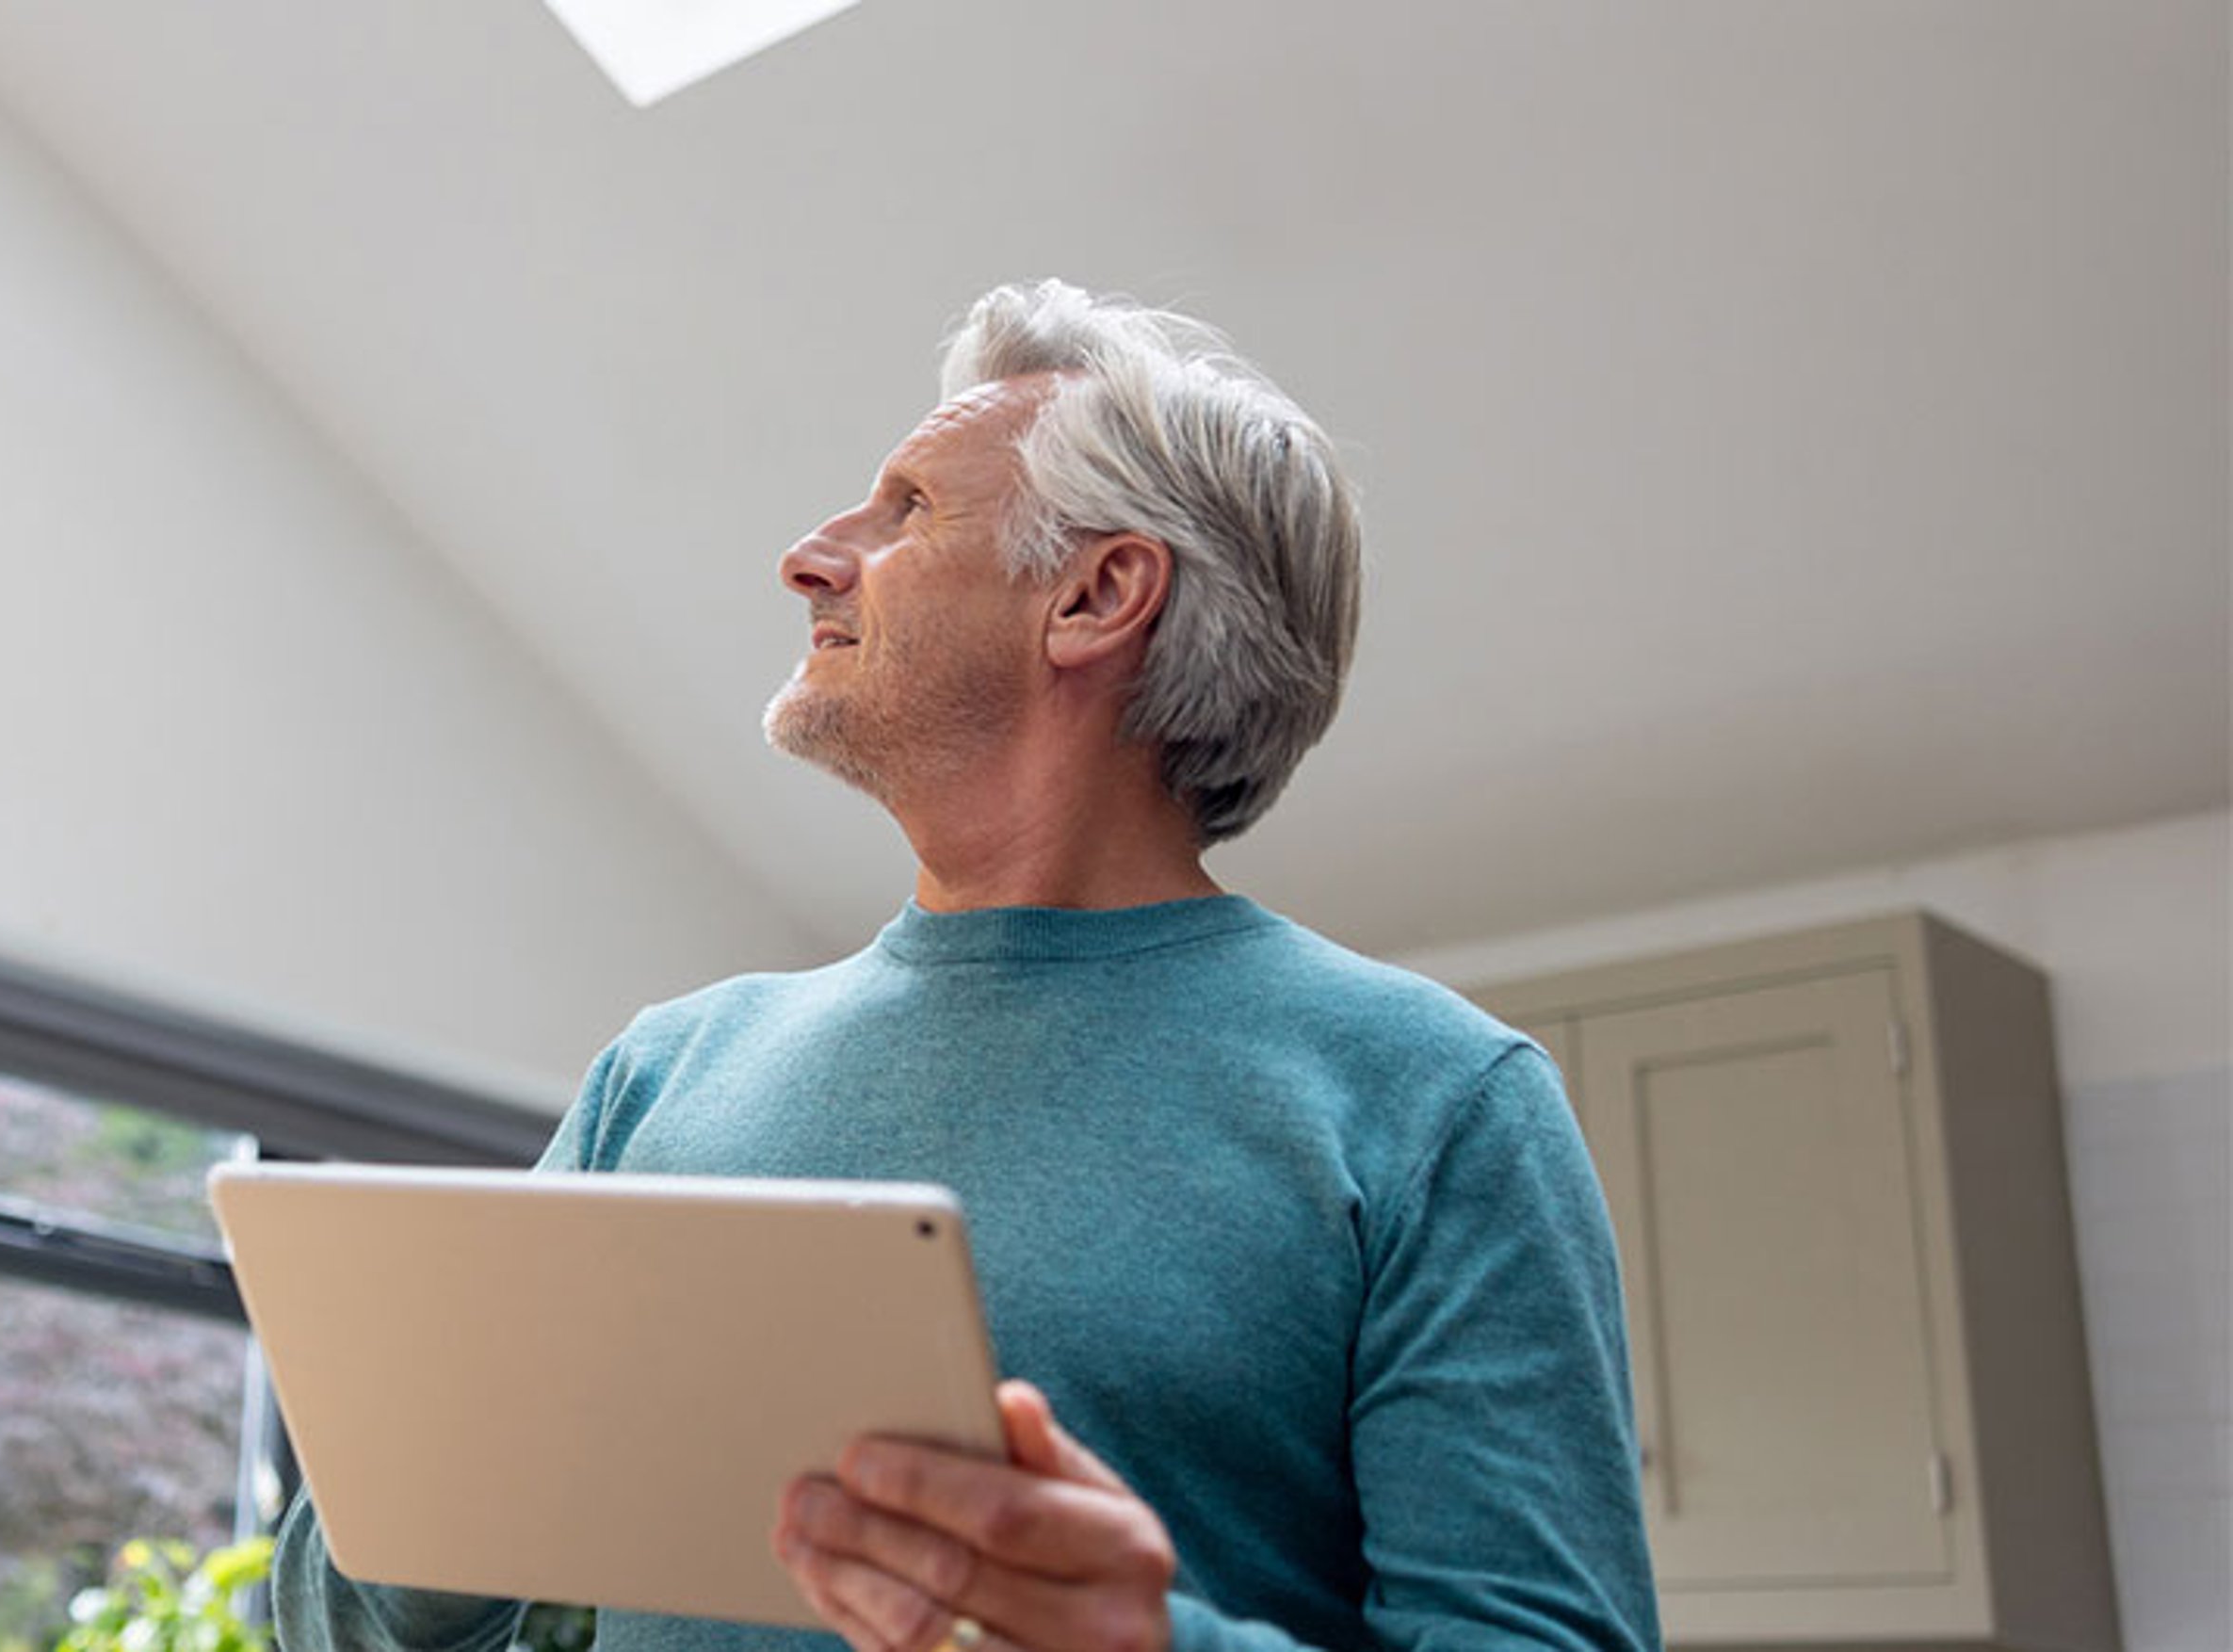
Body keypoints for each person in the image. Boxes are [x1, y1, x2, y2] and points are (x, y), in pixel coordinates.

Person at [268, 280, 1655, 1652]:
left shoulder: (1437, 1101)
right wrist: (429, 1484)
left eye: (907, 510)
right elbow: (337, 1625)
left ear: (1098, 595)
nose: (809, 556)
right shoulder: (664, 1071)